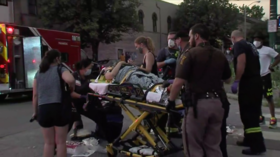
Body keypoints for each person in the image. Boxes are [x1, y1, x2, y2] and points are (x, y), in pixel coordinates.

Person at [166, 24, 231, 157]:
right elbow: (228, 79)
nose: (189, 40)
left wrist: (171, 101)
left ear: (196, 36)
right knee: (213, 146)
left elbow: (178, 82)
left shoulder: (190, 54)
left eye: (190, 37)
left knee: (193, 146)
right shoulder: (220, 54)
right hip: (218, 103)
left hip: (198, 106)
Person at [32, 49, 75, 157]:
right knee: (60, 143)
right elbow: (70, 79)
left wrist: (35, 112)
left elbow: (35, 95)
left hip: (43, 109)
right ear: (57, 58)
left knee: (48, 143)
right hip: (58, 108)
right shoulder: (60, 68)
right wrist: (71, 88)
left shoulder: (39, 73)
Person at [231, 30, 266, 155]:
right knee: (250, 113)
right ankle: (249, 139)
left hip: (249, 83)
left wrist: (237, 80)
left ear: (233, 38)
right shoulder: (250, 45)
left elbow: (242, 62)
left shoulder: (239, 45)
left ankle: (257, 146)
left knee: (249, 115)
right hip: (256, 81)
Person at [253, 34, 280, 128]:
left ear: (261, 41)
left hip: (265, 76)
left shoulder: (267, 50)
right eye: (255, 40)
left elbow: (278, 57)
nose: (256, 41)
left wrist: (272, 66)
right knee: (257, 98)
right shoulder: (253, 50)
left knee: (269, 98)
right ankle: (260, 117)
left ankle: (273, 118)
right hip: (256, 77)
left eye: (258, 40)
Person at [68, 59, 93, 139]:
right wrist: (82, 96)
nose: (90, 70)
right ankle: (76, 130)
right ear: (83, 67)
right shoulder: (74, 76)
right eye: (89, 67)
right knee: (74, 115)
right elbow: (71, 93)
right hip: (74, 101)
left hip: (84, 101)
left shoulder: (87, 77)